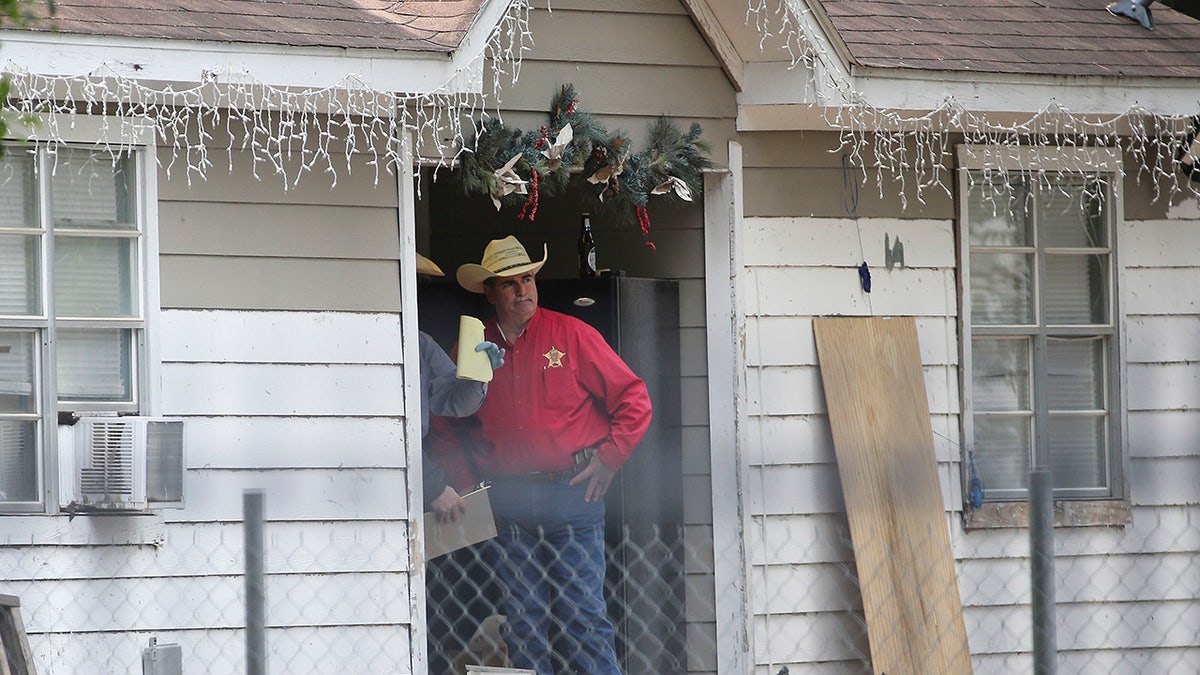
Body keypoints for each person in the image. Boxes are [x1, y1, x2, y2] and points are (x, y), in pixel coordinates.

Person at [454, 235, 652, 675]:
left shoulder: (574, 334)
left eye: (528, 279)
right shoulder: (474, 344)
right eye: (509, 284)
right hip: (505, 500)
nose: (523, 290)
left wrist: (609, 458)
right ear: (489, 292)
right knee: (523, 623)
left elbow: (634, 399)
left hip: (571, 492)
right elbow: (448, 421)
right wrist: (464, 482)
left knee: (583, 617)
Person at [416, 253, 505, 523]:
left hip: (412, 470)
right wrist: (431, 484)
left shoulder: (420, 342)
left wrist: (480, 374)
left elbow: (453, 403)